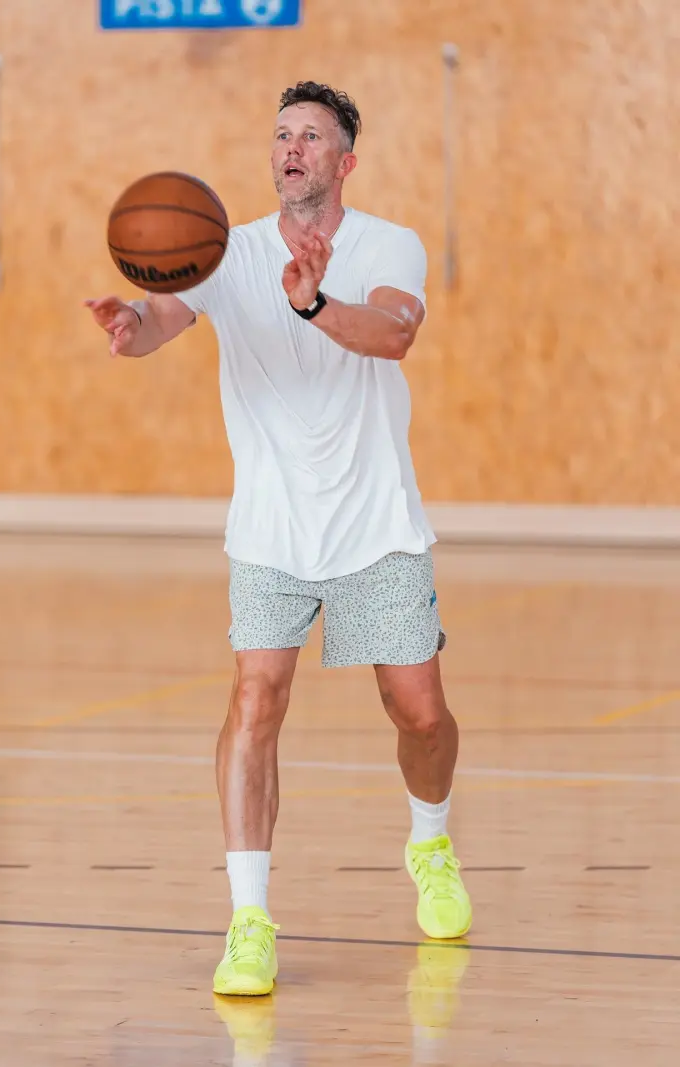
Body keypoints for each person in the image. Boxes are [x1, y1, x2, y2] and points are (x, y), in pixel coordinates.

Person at [86, 81, 472, 997]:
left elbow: (393, 334)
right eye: (282, 134)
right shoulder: (226, 251)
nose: (292, 146)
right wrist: (132, 326)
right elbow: (162, 321)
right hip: (269, 527)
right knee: (255, 701)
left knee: (419, 713)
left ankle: (431, 842)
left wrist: (313, 303)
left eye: (312, 136)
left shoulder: (389, 244)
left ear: (346, 161)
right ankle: (249, 919)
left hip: (374, 522)